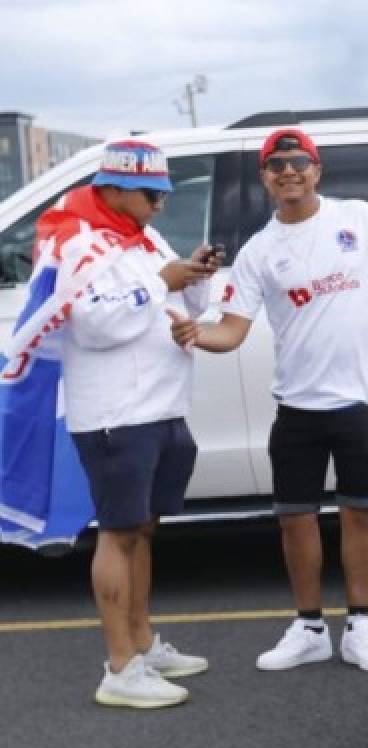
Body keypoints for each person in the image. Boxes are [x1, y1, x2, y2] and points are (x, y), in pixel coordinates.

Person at [170, 128, 368, 673]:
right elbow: (233, 330)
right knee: (295, 519)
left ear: (317, 170)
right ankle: (310, 626)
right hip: (297, 406)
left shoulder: (358, 219)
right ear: (265, 178)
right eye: (276, 165)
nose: (288, 172)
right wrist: (196, 334)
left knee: (359, 514)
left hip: (361, 399)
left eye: (299, 162)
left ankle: (361, 625)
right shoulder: (259, 252)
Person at [49, 140, 217, 707]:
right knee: (119, 534)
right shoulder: (79, 242)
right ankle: (119, 668)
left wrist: (191, 276)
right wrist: (162, 282)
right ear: (114, 189)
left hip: (161, 406)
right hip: (118, 415)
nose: (161, 205)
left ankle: (143, 644)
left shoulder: (142, 238)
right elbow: (93, 321)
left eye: (164, 194)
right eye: (152, 194)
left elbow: (180, 308)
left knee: (142, 529)